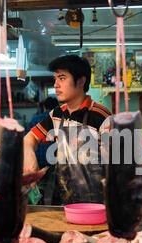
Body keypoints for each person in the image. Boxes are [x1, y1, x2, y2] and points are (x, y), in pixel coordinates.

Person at [23, 55, 111, 205]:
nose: (56, 85)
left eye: (62, 78)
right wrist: (29, 154)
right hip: (63, 200)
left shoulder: (102, 116)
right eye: (55, 79)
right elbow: (29, 138)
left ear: (81, 81)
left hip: (95, 203)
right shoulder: (56, 115)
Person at [24, 97, 59, 168]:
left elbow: (26, 138)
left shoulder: (36, 119)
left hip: (36, 162)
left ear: (44, 107)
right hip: (53, 162)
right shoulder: (59, 121)